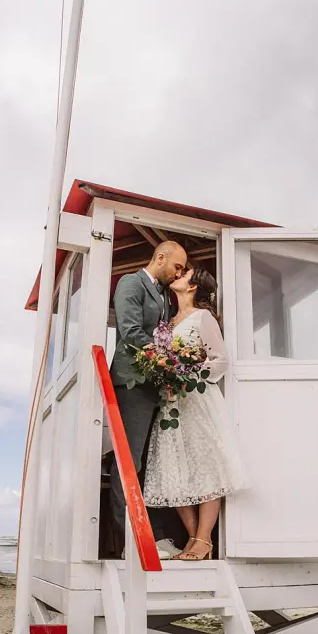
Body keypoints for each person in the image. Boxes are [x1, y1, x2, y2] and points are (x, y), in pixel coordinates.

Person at [142, 266, 245, 561]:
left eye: (184, 274)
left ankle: (204, 539)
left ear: (193, 287)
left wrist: (186, 375)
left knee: (205, 468)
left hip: (196, 400)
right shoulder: (168, 322)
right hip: (170, 404)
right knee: (174, 470)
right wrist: (163, 374)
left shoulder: (203, 318)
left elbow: (219, 361)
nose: (177, 276)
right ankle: (191, 540)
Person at [108, 240, 187, 559]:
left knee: (151, 464)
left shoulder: (166, 296)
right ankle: (129, 538)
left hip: (155, 387)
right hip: (132, 383)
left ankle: (153, 534)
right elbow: (130, 332)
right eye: (177, 266)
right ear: (160, 257)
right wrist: (169, 360)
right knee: (128, 462)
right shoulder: (131, 282)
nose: (179, 272)